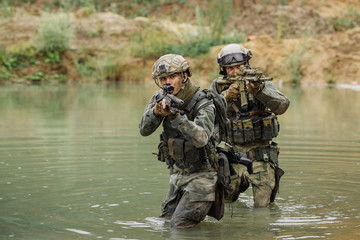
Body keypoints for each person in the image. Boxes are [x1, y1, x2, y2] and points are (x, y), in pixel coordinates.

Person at [139, 54, 220, 228]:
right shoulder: (159, 97)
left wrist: (176, 117)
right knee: (164, 223)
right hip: (177, 175)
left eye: (172, 76)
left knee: (179, 226)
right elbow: (143, 130)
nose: (167, 82)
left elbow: (201, 139)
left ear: (184, 76)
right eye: (163, 78)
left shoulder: (203, 102)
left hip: (202, 176)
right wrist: (156, 113)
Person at [210, 44, 290, 207]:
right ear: (223, 70)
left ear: (247, 65)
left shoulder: (259, 82)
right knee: (222, 204)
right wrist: (225, 97)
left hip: (261, 157)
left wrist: (259, 91)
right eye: (230, 68)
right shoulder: (218, 86)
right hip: (232, 157)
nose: (234, 72)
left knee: (263, 208)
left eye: (239, 67)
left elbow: (282, 106)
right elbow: (206, 114)